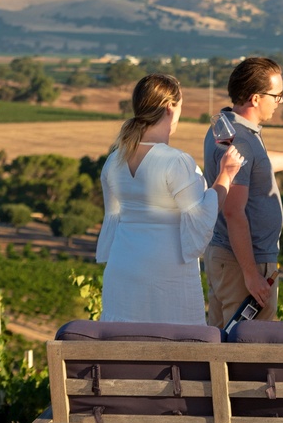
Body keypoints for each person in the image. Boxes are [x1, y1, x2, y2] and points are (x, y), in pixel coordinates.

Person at [98, 74, 243, 323]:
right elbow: (202, 215)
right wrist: (226, 175)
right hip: (166, 272)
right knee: (175, 346)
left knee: (124, 346)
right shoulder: (175, 161)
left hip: (123, 268)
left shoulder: (115, 160)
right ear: (169, 108)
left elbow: (113, 217)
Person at [203, 56, 283, 328]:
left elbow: (255, 164)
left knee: (219, 342)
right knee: (246, 348)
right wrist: (251, 274)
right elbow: (234, 211)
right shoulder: (241, 139)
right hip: (244, 263)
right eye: (277, 95)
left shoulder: (226, 127)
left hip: (225, 257)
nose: (280, 102)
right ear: (255, 98)